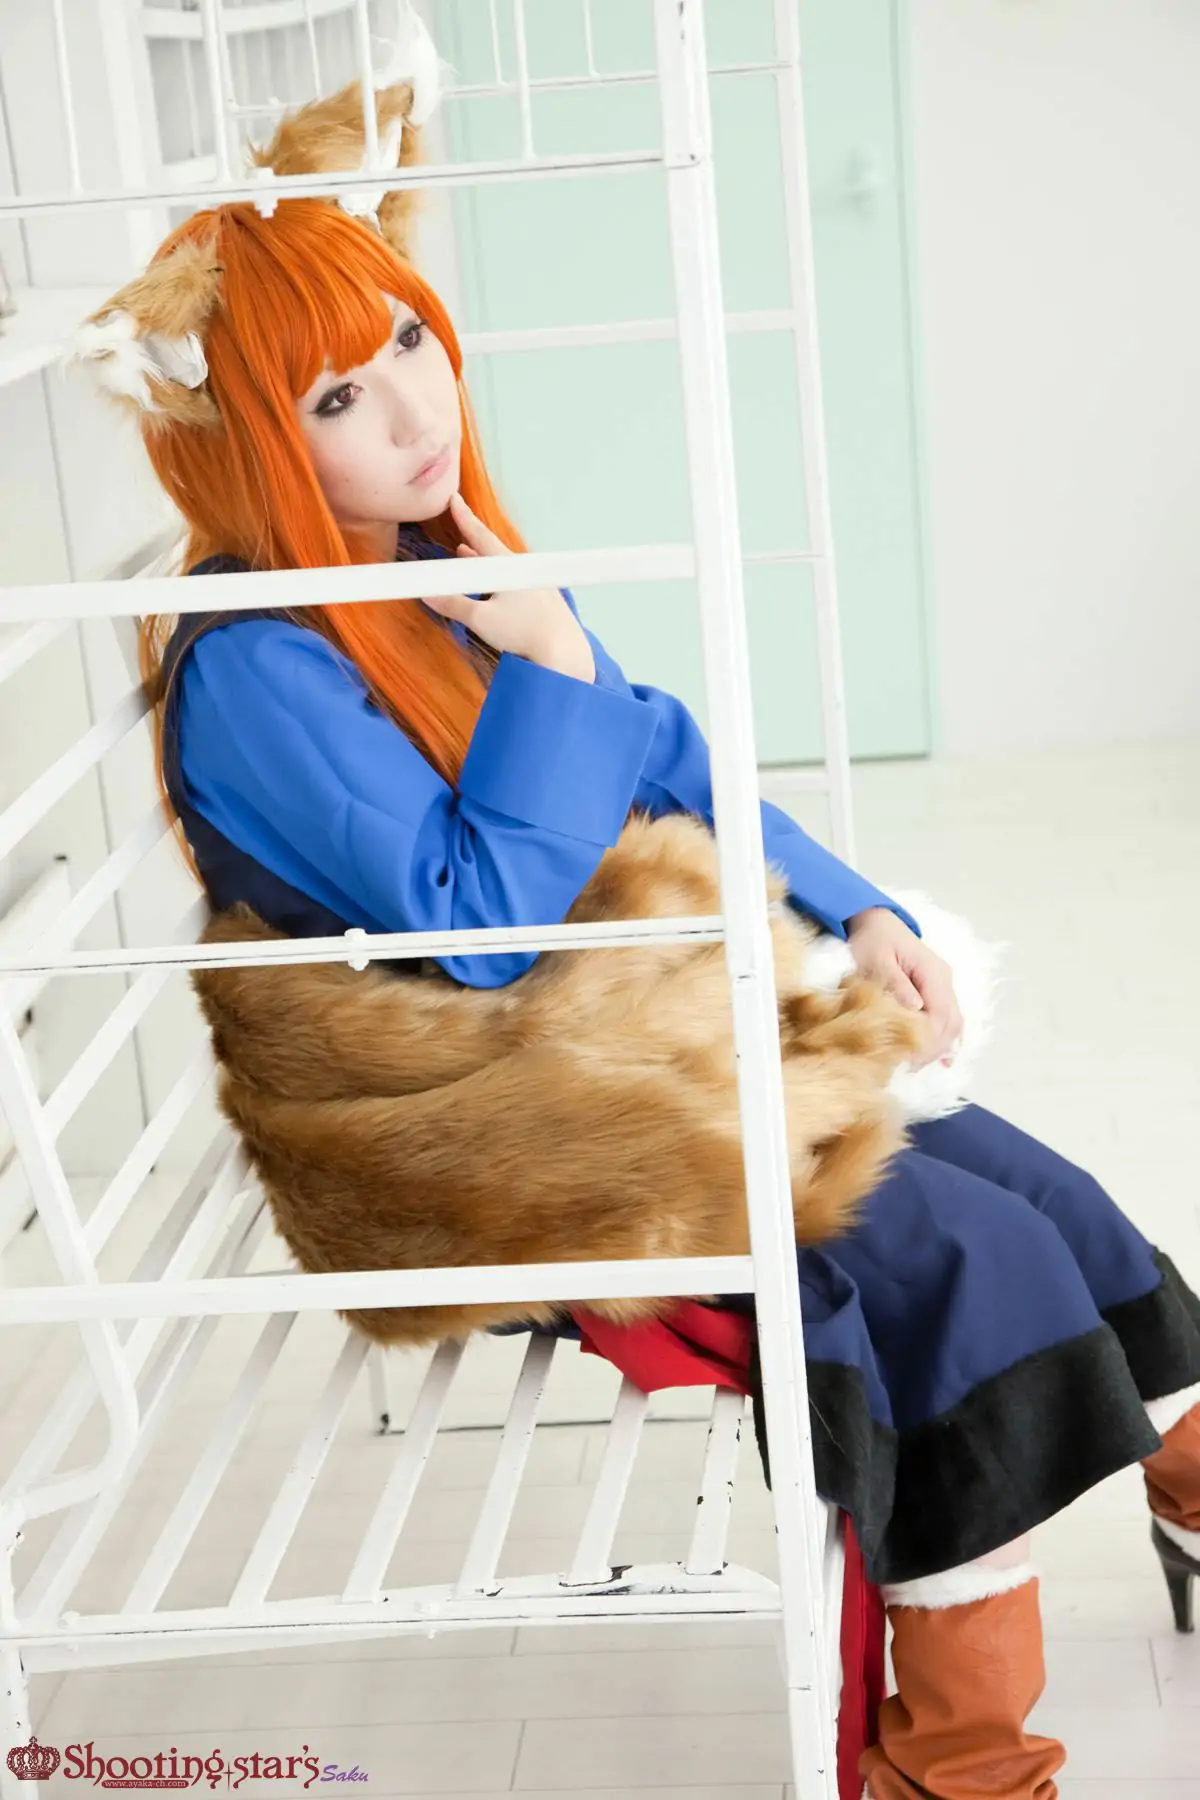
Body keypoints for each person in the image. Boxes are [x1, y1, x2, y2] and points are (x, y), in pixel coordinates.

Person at [72, 77, 1200, 1800]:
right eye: (336, 396)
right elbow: (477, 931)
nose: (413, 410)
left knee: (1042, 1191)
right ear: (246, 441)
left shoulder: (421, 559)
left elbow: (655, 747)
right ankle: (966, 1767)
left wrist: (858, 904)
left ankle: (1192, 1503)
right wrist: (544, 660)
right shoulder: (255, 663)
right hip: (474, 1119)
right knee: (961, 1265)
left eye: (409, 342)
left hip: (594, 1045)